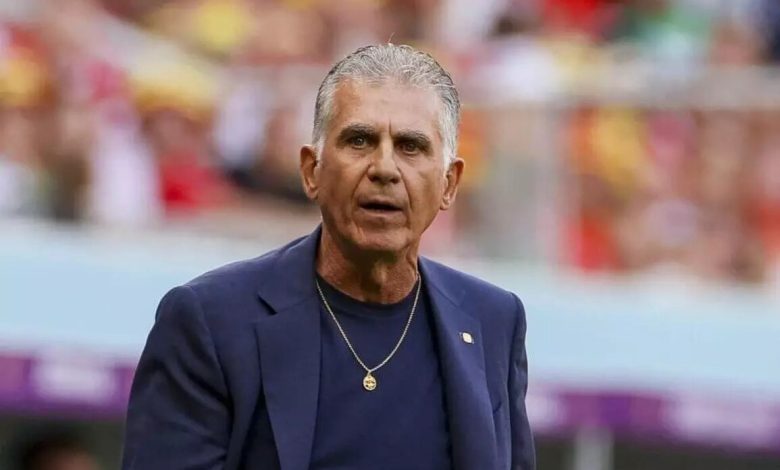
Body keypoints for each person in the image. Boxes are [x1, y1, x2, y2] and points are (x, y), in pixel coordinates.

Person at [121, 44, 535, 470]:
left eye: (411, 146)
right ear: (311, 171)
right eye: (359, 141)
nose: (385, 168)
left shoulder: (494, 322)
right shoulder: (210, 321)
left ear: (449, 184)